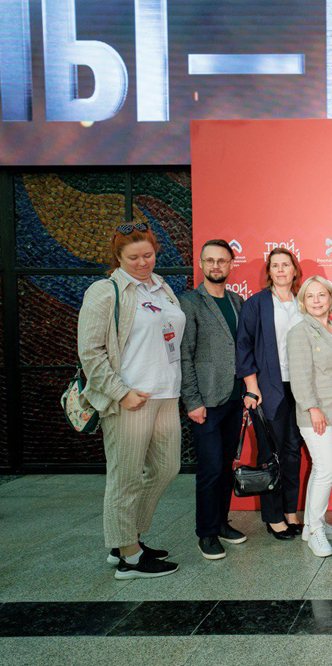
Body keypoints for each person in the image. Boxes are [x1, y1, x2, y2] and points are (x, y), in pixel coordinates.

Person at [77, 222, 184, 579]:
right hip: (129, 398)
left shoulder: (161, 287)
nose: (142, 263)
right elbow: (90, 352)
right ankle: (129, 557)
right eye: (133, 257)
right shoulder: (105, 291)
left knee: (167, 468)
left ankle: (127, 538)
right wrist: (121, 392)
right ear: (118, 258)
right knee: (125, 478)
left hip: (166, 394)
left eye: (148, 255)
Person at [179, 239, 248, 560]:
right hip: (205, 400)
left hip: (234, 397)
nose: (216, 266)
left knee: (225, 466)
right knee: (209, 469)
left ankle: (221, 523)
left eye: (222, 260)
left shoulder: (237, 301)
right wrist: (192, 400)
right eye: (210, 260)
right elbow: (185, 355)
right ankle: (206, 533)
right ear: (201, 264)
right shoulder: (190, 303)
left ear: (231, 264)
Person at [235, 248, 305, 539]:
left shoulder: (303, 301)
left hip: (300, 388)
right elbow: (244, 345)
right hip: (267, 388)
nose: (280, 270)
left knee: (293, 451)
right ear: (269, 271)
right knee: (270, 453)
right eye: (275, 265)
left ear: (294, 270)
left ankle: (290, 511)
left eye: (285, 265)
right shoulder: (257, 303)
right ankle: (274, 517)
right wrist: (251, 387)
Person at [288, 276, 332, 557]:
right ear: (303, 301)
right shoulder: (300, 331)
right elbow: (300, 377)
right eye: (310, 296)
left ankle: (312, 525)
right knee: (326, 470)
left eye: (321, 295)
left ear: (330, 298)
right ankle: (315, 531)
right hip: (317, 412)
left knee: (320, 469)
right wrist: (312, 409)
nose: (316, 301)